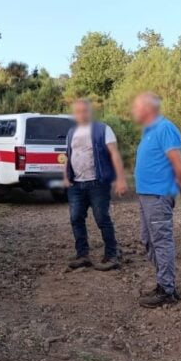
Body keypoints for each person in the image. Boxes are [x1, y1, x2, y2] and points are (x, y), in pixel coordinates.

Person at [132, 92, 181, 308]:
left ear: (149, 109)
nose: (135, 111)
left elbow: (179, 165)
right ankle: (163, 283)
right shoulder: (148, 131)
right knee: (148, 240)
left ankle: (167, 290)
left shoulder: (165, 128)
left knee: (161, 241)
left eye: (138, 107)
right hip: (146, 195)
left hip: (159, 196)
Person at [64, 99, 128, 271]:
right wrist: (66, 177)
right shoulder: (71, 132)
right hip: (76, 184)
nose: (81, 114)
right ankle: (82, 255)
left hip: (97, 183)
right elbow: (69, 156)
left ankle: (111, 255)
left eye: (84, 110)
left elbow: (114, 154)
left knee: (102, 218)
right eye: (77, 111)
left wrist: (120, 179)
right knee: (76, 218)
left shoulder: (103, 129)